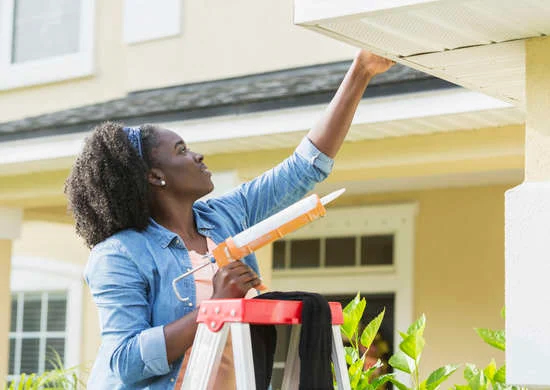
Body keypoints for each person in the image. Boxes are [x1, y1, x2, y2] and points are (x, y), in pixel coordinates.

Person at [65, 50, 394, 389]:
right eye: (181, 150)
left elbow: (304, 167)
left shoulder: (225, 217)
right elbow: (125, 361)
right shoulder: (119, 254)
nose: (197, 155)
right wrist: (215, 308)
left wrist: (361, 71)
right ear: (155, 176)